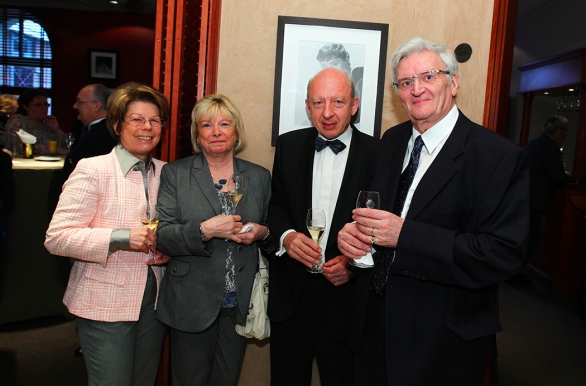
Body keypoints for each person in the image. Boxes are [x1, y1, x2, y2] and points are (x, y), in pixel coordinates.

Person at [337, 37, 529, 385]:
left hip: (440, 342)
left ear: (453, 83)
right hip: (372, 327)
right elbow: (376, 214)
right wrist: (353, 235)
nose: (417, 89)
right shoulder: (392, 141)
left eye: (428, 76)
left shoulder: (497, 157)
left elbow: (501, 255)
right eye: (406, 82)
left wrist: (404, 235)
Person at [44, 82, 171, 386]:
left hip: (153, 304)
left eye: (154, 120)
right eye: (136, 119)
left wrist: (169, 247)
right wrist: (120, 237)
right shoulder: (93, 169)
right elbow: (57, 237)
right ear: (117, 125)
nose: (147, 128)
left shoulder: (167, 173)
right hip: (103, 303)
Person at [268, 67, 378, 386]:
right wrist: (287, 238)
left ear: (354, 105)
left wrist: (354, 264)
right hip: (292, 296)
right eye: (318, 103)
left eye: (338, 102)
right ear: (307, 106)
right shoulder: (288, 146)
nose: (327, 113)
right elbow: (276, 207)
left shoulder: (378, 153)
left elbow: (381, 223)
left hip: (346, 301)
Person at [155, 94, 274, 386]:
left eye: (224, 123)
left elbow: (271, 228)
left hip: (239, 300)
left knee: (226, 379)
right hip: (191, 299)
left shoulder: (259, 176)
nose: (217, 132)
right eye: (207, 125)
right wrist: (205, 230)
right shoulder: (176, 174)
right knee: (189, 380)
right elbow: (163, 236)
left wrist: (262, 232)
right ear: (197, 134)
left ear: (236, 131)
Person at [508, 115, 572, 285]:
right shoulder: (549, 147)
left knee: (524, 235)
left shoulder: (534, 143)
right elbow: (557, 175)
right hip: (535, 200)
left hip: (523, 197)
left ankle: (513, 271)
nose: (565, 135)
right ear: (557, 131)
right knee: (531, 237)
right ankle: (515, 273)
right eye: (565, 131)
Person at [62, 84, 116, 183]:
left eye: (79, 102)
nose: (75, 106)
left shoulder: (102, 134)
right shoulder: (99, 130)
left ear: (96, 106)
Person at [4, 88, 66, 156]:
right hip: (24, 163)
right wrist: (56, 150)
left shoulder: (46, 123)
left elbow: (65, 147)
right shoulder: (17, 121)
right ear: (25, 107)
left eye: (45, 105)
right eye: (38, 105)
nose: (44, 108)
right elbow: (19, 146)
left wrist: (56, 130)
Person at [316, 43, 364, 122]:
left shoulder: (360, 78)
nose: (330, 70)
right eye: (324, 66)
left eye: (334, 64)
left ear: (346, 60)